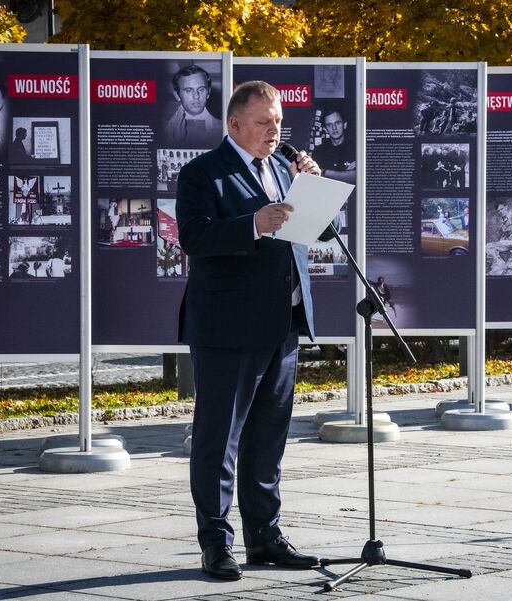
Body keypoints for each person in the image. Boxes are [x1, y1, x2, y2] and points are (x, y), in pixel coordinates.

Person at [176, 80, 332, 582]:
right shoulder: (203, 173)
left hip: (282, 324)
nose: (275, 130)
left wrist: (314, 188)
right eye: (265, 122)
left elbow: (318, 233)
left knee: (268, 439)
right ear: (236, 123)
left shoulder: (286, 170)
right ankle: (216, 542)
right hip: (227, 328)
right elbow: (194, 236)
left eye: (280, 121)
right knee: (218, 440)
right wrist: (253, 222)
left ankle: (265, 537)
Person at [164, 64, 222, 146]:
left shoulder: (225, 129)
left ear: (208, 93)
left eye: (201, 89)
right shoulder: (162, 130)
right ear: (177, 95)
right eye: (188, 90)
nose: (196, 96)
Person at [313, 108, 355, 183]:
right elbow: (316, 179)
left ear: (344, 125)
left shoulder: (356, 149)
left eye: (337, 123)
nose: (334, 128)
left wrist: (324, 172)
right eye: (329, 125)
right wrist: (346, 173)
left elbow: (357, 177)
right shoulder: (318, 152)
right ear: (325, 129)